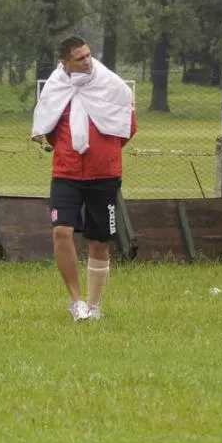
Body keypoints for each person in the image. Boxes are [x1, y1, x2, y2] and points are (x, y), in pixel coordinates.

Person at [31, 36, 137, 322]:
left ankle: (94, 305)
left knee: (99, 241)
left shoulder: (111, 85)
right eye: (80, 58)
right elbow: (48, 125)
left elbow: (128, 126)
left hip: (104, 175)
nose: (88, 61)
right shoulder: (56, 87)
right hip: (66, 173)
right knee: (61, 231)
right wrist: (69, 151)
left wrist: (104, 153)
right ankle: (76, 302)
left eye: (89, 55)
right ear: (65, 62)